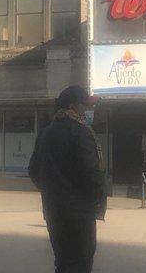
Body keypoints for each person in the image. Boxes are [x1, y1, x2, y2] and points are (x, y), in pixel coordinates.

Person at [28, 86, 106, 273]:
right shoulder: (81, 132)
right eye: (86, 106)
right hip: (79, 212)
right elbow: (92, 173)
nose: (89, 110)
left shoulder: (46, 132)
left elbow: (33, 170)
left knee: (62, 262)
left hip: (54, 209)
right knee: (81, 262)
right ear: (73, 106)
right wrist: (94, 199)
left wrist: (52, 190)